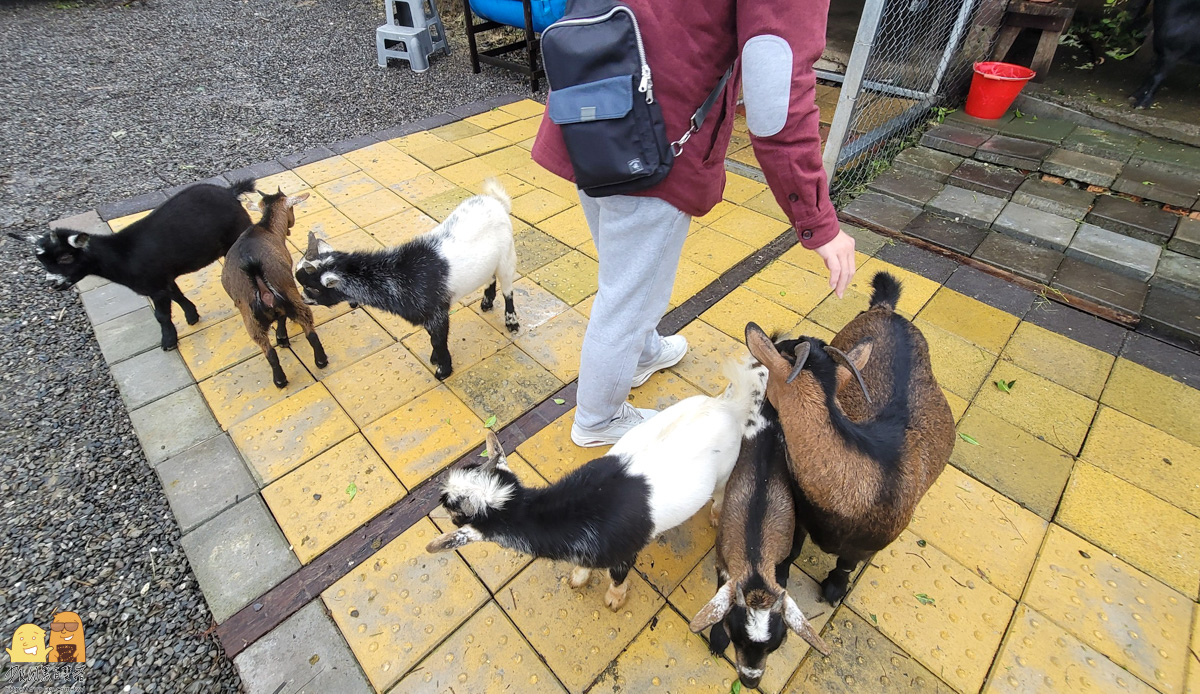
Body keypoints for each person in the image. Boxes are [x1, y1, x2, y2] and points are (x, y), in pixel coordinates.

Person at [532, 0, 856, 447]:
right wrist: (819, 222)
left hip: (589, 102)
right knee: (626, 297)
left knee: (625, 273)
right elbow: (775, 90)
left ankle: (641, 351)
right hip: (649, 138)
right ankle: (598, 418)